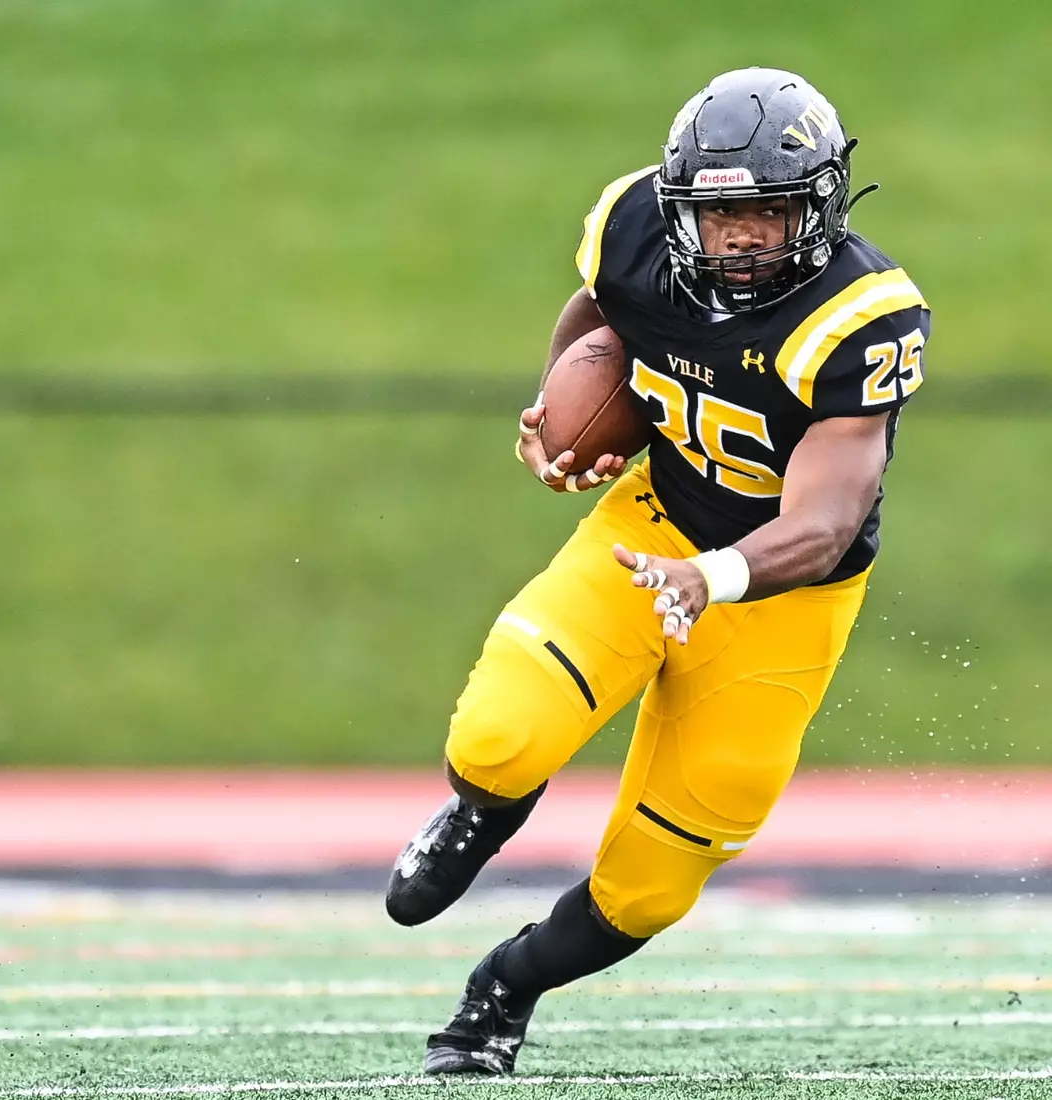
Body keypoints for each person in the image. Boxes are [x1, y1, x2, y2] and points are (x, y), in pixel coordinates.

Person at [385, 66, 931, 1076]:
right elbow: (598, 311)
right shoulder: (636, 223)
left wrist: (713, 577)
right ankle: (477, 816)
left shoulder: (860, 317)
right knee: (500, 734)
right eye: (717, 216)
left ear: (816, 206)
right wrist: (562, 419)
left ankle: (505, 987)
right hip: (651, 528)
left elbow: (821, 521)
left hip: (782, 597)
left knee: (649, 888)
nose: (737, 239)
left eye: (763, 215)